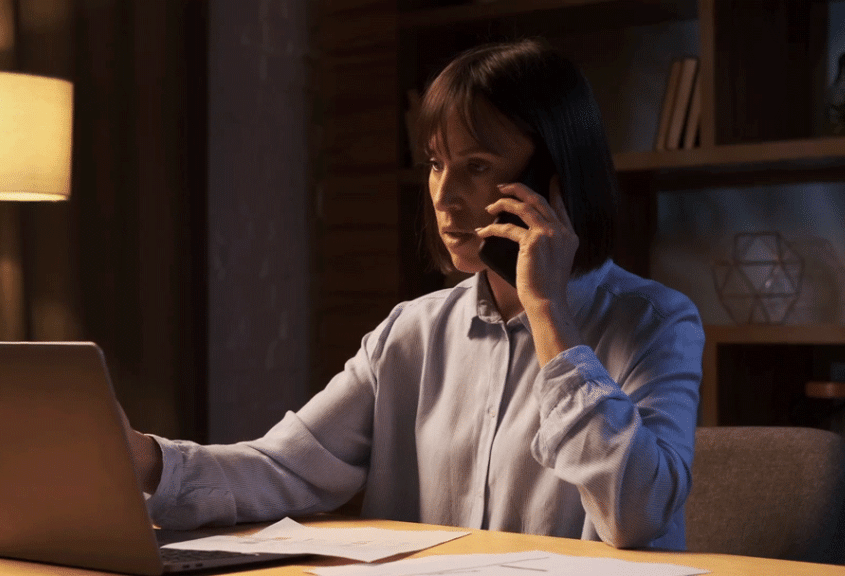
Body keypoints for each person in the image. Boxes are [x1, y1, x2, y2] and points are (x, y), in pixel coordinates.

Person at [122, 38, 704, 551]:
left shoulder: (658, 324)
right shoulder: (411, 333)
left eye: (475, 167)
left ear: (555, 180)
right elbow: (283, 470)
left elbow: (640, 517)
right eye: (434, 164)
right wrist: (141, 457)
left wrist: (549, 313)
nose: (443, 195)